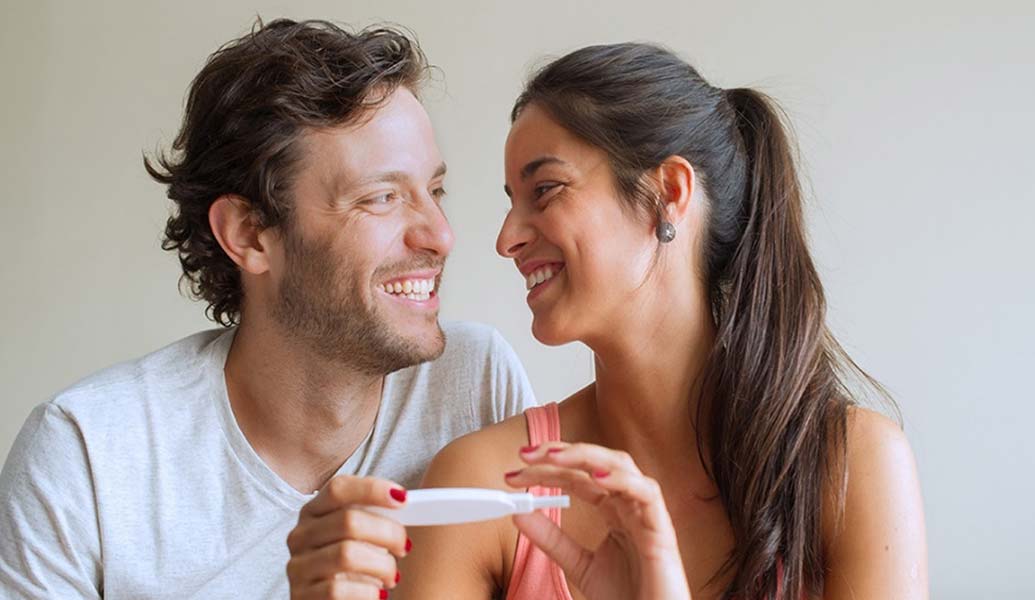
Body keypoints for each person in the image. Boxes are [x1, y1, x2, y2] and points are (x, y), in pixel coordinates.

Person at [0, 19, 536, 600]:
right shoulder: (89, 457)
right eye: (381, 198)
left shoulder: (474, 385)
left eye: (435, 191)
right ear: (251, 234)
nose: (440, 235)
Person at [395, 43, 928, 600]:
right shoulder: (485, 485)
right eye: (513, 201)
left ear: (667, 193)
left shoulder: (851, 467)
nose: (507, 239)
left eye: (545, 190)